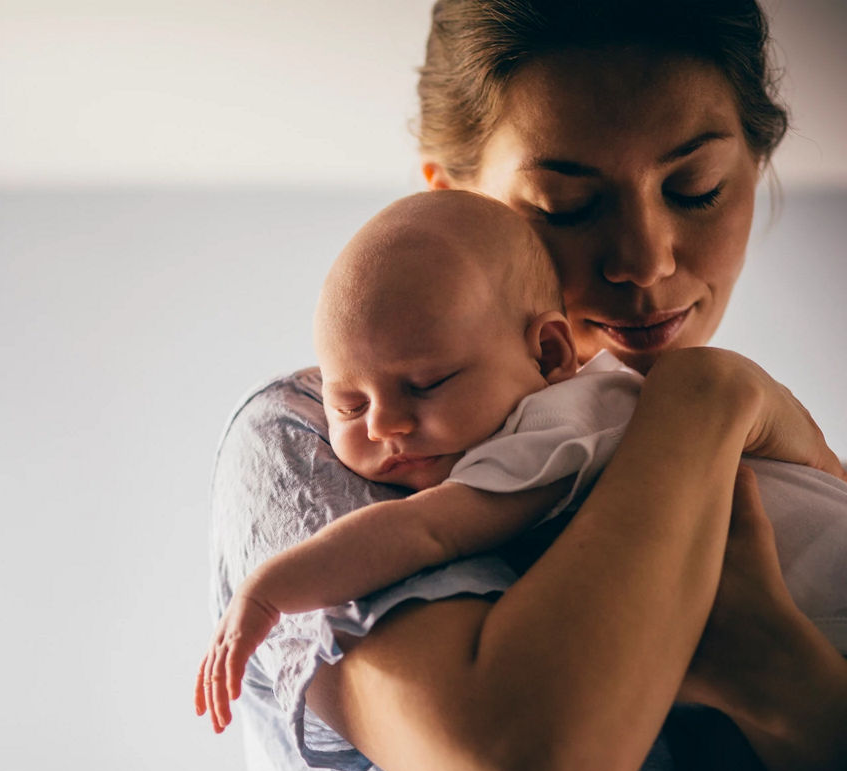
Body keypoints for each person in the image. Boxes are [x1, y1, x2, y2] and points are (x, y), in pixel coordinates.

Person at [206, 1, 847, 771]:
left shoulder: (757, 459)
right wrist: (706, 398)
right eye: (567, 205)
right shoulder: (321, 436)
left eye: (697, 188)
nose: (647, 261)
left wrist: (776, 671)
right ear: (458, 203)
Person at [195, 190, 847, 732]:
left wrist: (269, 590)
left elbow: (425, 529)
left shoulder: (566, 421)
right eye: (347, 405)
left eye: (427, 384)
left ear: (550, 356)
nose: (386, 423)